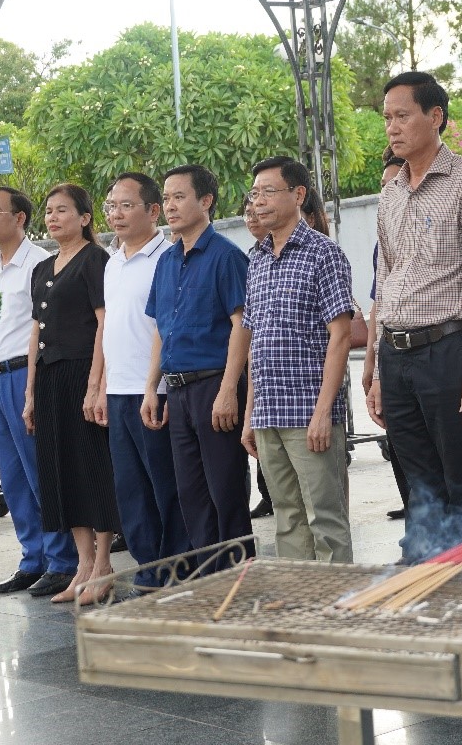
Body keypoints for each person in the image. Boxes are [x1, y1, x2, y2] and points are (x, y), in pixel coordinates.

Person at [367, 71, 462, 563]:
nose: (392, 127)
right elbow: (387, 280)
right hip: (397, 355)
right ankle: (433, 584)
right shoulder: (390, 193)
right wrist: (382, 371)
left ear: (436, 117)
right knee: (417, 482)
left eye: (402, 115)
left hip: (450, 351)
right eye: (387, 118)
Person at [239, 156, 355, 562]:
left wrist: (324, 412)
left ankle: (336, 613)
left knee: (326, 518)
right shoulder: (255, 259)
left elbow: (340, 337)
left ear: (298, 194)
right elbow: (255, 343)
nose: (258, 202)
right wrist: (251, 413)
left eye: (268, 192)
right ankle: (301, 607)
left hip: (309, 411)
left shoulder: (324, 254)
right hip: (269, 412)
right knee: (287, 518)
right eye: (254, 194)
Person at [142, 165, 252, 571]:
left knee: (225, 490)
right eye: (167, 198)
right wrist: (152, 388)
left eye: (179, 197)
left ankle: (241, 579)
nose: (170, 205)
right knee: (191, 492)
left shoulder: (226, 257)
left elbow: (243, 326)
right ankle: (208, 580)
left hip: (213, 386)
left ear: (205, 202)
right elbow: (160, 330)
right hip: (178, 390)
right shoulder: (167, 261)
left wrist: (228, 390)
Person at [0, 186, 79, 599]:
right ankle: (31, 559)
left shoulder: (39, 263)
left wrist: (35, 389)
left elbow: (43, 330)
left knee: (41, 472)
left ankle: (62, 561)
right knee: (13, 478)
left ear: (19, 218)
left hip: (26, 376)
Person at [23, 183, 120, 605]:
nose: (53, 217)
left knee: (91, 467)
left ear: (84, 218)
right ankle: (81, 564)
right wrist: (29, 392)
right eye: (49, 210)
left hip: (82, 371)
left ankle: (103, 565)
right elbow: (35, 333)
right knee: (60, 471)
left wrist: (95, 384)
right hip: (48, 377)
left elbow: (104, 324)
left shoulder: (96, 259)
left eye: (63, 210)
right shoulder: (41, 269)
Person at [98, 173, 189, 587]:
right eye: (111, 206)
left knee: (164, 487)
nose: (116, 214)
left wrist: (154, 387)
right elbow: (107, 329)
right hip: (118, 391)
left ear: (153, 211)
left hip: (156, 391)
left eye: (126, 205)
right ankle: (148, 569)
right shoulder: (112, 260)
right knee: (130, 490)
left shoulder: (167, 258)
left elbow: (164, 327)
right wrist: (99, 387)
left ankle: (175, 570)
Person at [361, 152, 411, 522]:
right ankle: (412, 509)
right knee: (400, 444)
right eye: (383, 187)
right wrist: (372, 361)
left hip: (437, 352)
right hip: (391, 352)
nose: (388, 193)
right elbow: (379, 301)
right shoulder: (384, 236)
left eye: (395, 185)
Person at [240, 197, 275, 521]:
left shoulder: (316, 251)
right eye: (247, 213)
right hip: (260, 372)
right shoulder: (253, 259)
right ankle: (268, 495)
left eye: (256, 212)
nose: (252, 217)